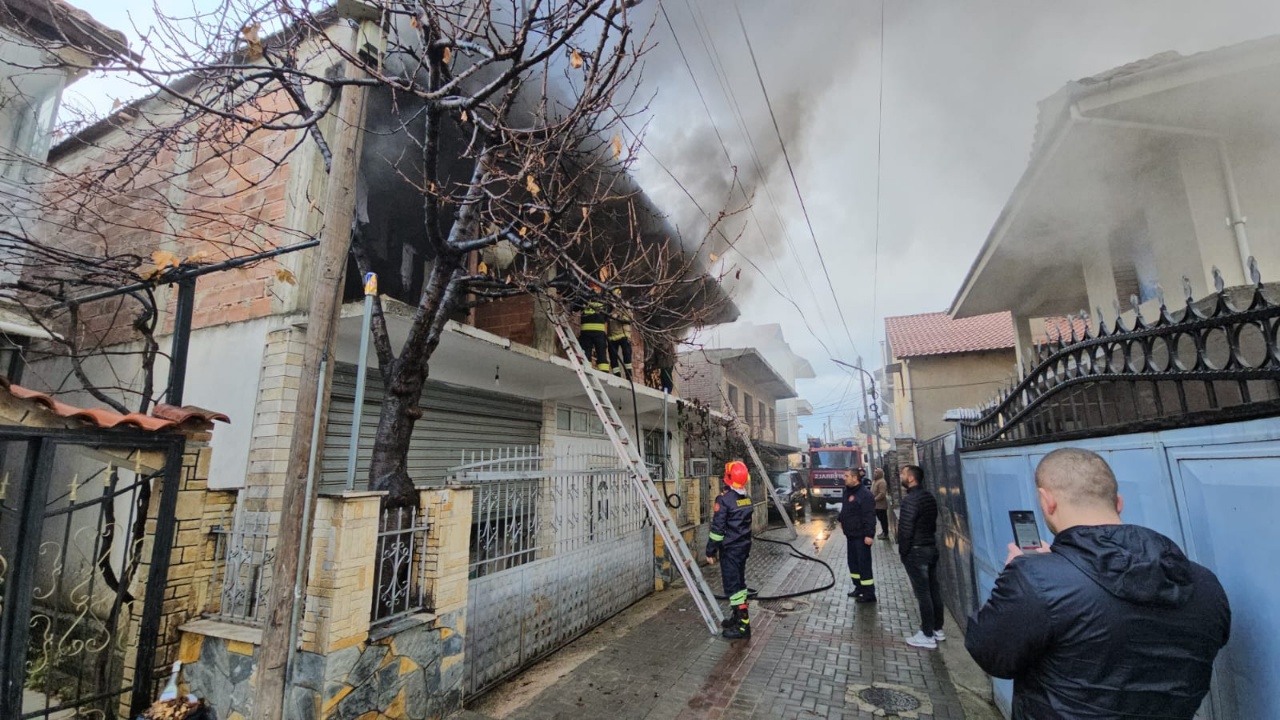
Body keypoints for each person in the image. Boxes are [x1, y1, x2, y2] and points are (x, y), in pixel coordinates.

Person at [965, 448, 1230, 719]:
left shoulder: (1034, 579)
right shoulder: (1205, 582)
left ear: (1047, 502)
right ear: (1118, 503)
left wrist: (1018, 576)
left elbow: (990, 653)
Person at [897, 464, 944, 648]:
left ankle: (927, 634)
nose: (900, 476)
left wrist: (904, 551)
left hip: (916, 551)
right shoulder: (928, 497)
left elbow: (906, 529)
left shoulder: (911, 500)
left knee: (923, 593)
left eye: (903, 473)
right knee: (933, 590)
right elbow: (931, 524)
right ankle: (937, 629)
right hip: (930, 547)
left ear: (911, 478)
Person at [706, 460, 754, 640]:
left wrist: (710, 551)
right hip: (742, 549)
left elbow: (717, 531)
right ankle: (737, 618)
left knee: (733, 587)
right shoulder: (747, 499)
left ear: (727, 479)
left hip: (731, 551)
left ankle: (743, 627)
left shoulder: (724, 500)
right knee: (739, 584)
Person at [839, 468, 877, 602]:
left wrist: (869, 535)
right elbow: (845, 509)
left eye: (847, 476)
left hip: (861, 536)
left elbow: (869, 516)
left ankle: (869, 593)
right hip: (850, 535)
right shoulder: (847, 492)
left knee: (864, 564)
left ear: (855, 478)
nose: (844, 478)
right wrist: (841, 520)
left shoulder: (864, 494)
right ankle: (858, 587)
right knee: (853, 563)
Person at [576, 285, 611, 373]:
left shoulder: (584, 297)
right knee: (601, 353)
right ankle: (604, 372)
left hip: (586, 331)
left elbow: (574, 307)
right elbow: (608, 313)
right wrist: (602, 319)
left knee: (586, 352)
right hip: (599, 332)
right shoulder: (604, 299)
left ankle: (587, 371)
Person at [606, 292, 633, 380]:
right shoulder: (609, 307)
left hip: (623, 335)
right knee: (613, 357)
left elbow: (629, 319)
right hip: (612, 337)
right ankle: (617, 376)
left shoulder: (624, 307)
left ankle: (629, 375)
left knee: (627, 355)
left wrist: (617, 316)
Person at [870, 468, 890, 539]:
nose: (874, 474)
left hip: (881, 506)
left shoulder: (882, 482)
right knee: (880, 520)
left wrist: (874, 499)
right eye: (874, 472)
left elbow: (882, 493)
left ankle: (885, 533)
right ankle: (883, 532)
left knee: (883, 520)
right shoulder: (875, 481)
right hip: (876, 506)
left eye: (876, 472)